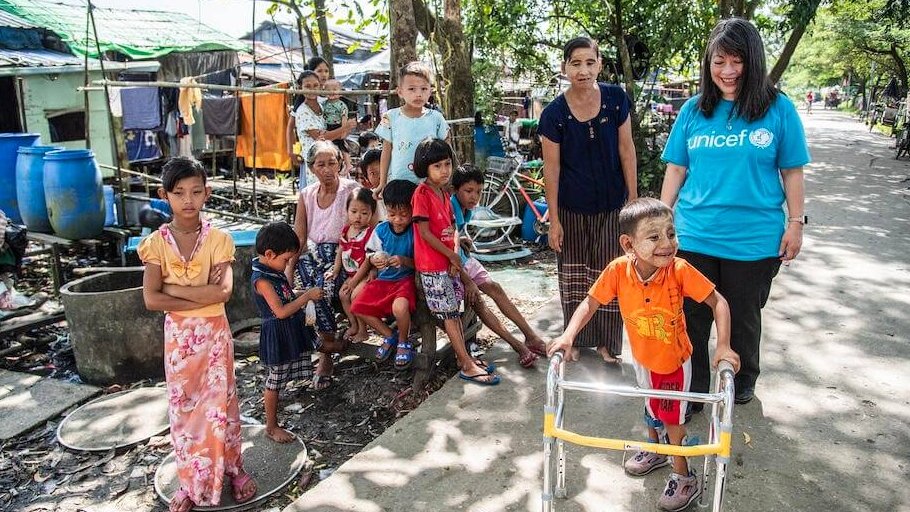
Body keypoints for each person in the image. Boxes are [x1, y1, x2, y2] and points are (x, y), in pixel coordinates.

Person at [547, 198, 740, 512]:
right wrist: (569, 336)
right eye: (654, 237)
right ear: (628, 244)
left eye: (671, 234)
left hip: (673, 362)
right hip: (643, 357)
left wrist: (723, 345)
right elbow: (590, 303)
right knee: (651, 406)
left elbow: (719, 303)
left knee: (673, 421)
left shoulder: (679, 270)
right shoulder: (618, 271)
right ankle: (656, 449)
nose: (667, 243)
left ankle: (684, 476)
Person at [660, 18, 809, 406]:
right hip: (695, 234)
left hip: (754, 238)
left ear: (753, 61)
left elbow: (792, 170)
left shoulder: (778, 109)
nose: (728, 71)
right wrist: (661, 220)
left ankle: (742, 381)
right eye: (719, 61)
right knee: (691, 317)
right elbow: (676, 168)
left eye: (737, 60)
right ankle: (693, 391)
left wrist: (795, 224)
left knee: (743, 317)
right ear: (708, 64)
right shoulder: (694, 110)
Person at [138, 157, 257, 512]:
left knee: (222, 405)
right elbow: (150, 298)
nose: (188, 200)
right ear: (165, 196)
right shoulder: (155, 244)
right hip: (179, 340)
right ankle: (191, 484)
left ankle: (234, 469)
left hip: (215, 334)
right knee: (185, 408)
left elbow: (221, 294)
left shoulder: (220, 240)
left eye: (195, 192)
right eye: (178, 193)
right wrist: (196, 293)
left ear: (207, 193)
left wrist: (173, 293)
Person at [538, 36, 638, 363]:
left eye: (590, 62)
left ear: (600, 64)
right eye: (576, 63)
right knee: (575, 273)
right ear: (565, 67)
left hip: (613, 205)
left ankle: (609, 343)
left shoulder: (615, 99)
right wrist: (554, 219)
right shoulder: (554, 114)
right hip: (571, 208)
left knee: (611, 273)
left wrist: (633, 201)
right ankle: (574, 338)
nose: (583, 70)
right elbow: (551, 169)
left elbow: (626, 150)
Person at [412, 138, 500, 385]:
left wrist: (454, 255)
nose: (444, 170)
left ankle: (466, 358)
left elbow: (453, 229)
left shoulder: (444, 193)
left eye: (447, 164)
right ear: (424, 168)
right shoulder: (422, 193)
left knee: (454, 312)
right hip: (431, 267)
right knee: (450, 315)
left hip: (447, 264)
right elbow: (425, 233)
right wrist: (451, 255)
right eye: (437, 166)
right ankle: (466, 363)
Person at [451, 165, 547, 367]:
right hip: (454, 267)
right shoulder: (451, 206)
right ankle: (518, 346)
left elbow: (455, 237)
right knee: (478, 301)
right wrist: (467, 280)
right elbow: (447, 245)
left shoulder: (464, 209)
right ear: (455, 190)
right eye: (468, 191)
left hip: (465, 260)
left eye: (478, 191)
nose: (474, 197)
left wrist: (462, 238)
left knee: (495, 288)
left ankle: (530, 337)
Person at [289, 141, 361, 389]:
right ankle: (323, 344)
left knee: (319, 292)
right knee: (304, 291)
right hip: (313, 258)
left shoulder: (352, 190)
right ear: (311, 168)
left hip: (344, 259)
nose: (328, 169)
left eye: (333, 163)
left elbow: (368, 228)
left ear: (341, 163)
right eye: (321, 164)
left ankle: (327, 353)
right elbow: (299, 239)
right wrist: (288, 271)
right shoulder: (307, 195)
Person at [251, 222, 323, 443]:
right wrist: (305, 297)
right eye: (285, 260)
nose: (287, 265)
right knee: (275, 380)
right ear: (270, 254)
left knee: (281, 376)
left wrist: (301, 294)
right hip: (278, 333)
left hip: (288, 329)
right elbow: (280, 311)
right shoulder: (262, 280)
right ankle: (271, 427)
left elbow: (286, 296)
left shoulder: (271, 269)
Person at [348, 180, 420, 368]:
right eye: (392, 214)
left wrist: (404, 261)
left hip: (405, 281)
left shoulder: (416, 231)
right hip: (384, 280)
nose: (397, 220)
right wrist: (374, 261)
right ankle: (390, 335)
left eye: (404, 214)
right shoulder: (380, 230)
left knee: (399, 308)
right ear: (385, 209)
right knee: (357, 306)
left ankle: (404, 341)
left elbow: (421, 263)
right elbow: (370, 254)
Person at [374, 62, 449, 195]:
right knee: (401, 216)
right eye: (412, 89)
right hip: (399, 183)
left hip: (430, 184)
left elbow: (446, 151)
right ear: (400, 92)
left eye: (424, 89)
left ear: (430, 91)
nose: (418, 94)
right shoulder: (391, 117)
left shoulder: (436, 118)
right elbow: (386, 151)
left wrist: (446, 181)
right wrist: (382, 182)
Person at [286, 70, 356, 187]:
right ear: (300, 87)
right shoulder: (303, 111)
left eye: (315, 85)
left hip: (333, 160)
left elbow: (337, 129)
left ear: (320, 86)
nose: (312, 89)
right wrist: (345, 127)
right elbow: (320, 137)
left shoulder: (325, 105)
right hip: (317, 164)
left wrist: (345, 128)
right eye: (307, 86)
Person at [329, 187, 377, 342]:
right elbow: (341, 250)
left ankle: (363, 330)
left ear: (371, 214)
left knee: (356, 297)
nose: (358, 217)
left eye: (364, 213)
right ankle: (354, 324)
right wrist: (335, 270)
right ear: (347, 211)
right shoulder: (346, 230)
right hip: (350, 274)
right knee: (343, 295)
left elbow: (370, 259)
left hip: (363, 275)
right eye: (354, 211)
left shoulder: (370, 233)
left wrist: (356, 280)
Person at [321, 78, 354, 174]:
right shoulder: (323, 104)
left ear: (340, 92)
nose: (332, 92)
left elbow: (344, 118)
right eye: (328, 90)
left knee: (342, 145)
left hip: (338, 126)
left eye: (335, 89)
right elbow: (322, 117)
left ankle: (348, 164)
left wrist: (344, 130)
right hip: (328, 127)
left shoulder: (341, 105)